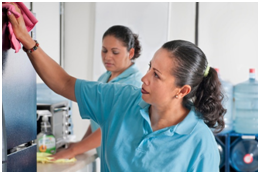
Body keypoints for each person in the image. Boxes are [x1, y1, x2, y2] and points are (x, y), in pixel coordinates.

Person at [7, 5, 226, 172]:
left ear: (182, 91)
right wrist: (28, 42)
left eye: (156, 75)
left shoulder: (200, 143)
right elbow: (64, 83)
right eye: (150, 68)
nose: (145, 79)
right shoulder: (121, 99)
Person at [51, 25, 143, 161]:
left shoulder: (134, 84)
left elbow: (111, 128)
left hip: (126, 161)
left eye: (115, 52)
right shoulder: (104, 78)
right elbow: (98, 118)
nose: (107, 57)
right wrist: (79, 145)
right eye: (104, 50)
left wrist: (75, 150)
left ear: (130, 53)